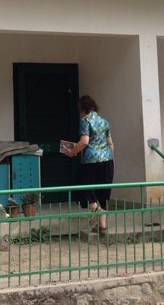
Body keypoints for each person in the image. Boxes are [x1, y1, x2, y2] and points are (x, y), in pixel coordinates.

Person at [64, 95, 115, 236]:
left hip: (90, 161)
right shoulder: (104, 121)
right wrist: (112, 159)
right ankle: (102, 226)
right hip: (107, 160)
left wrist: (72, 152)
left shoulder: (85, 121)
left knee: (82, 189)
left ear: (82, 108)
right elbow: (110, 143)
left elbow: (84, 141)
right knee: (103, 192)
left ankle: (97, 211)